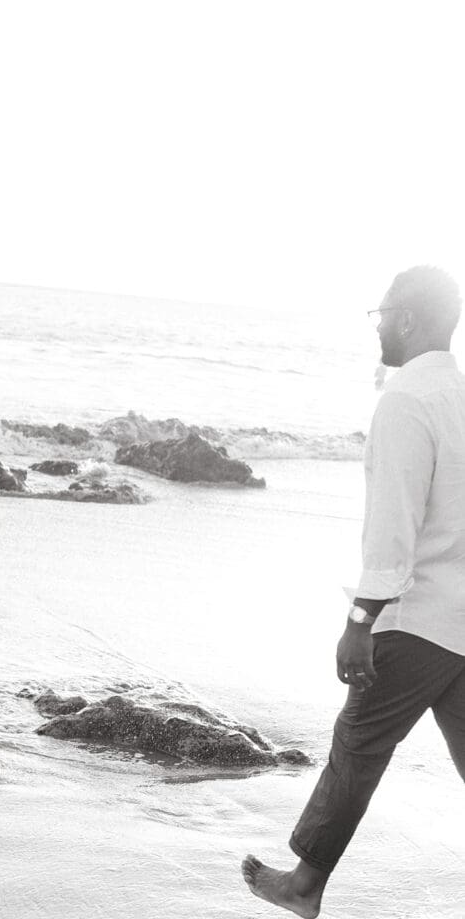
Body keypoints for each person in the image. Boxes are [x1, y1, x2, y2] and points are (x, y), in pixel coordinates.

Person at [242, 265, 465, 917]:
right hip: (461, 615)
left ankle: (303, 885)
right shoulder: (459, 394)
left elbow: (393, 529)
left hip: (417, 614)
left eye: (379, 313)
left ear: (404, 320)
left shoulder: (406, 402)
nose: (375, 325)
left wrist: (359, 619)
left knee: (357, 744)